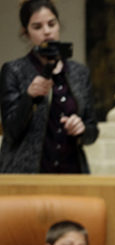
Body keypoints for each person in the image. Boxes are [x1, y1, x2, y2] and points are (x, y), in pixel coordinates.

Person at [1, 0, 99, 174]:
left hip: (72, 173)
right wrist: (29, 97)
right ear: (27, 33)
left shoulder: (80, 72)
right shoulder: (14, 70)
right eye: (37, 27)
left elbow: (92, 132)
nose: (47, 32)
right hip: (26, 174)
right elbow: (10, 132)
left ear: (58, 25)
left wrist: (81, 129)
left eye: (51, 24)